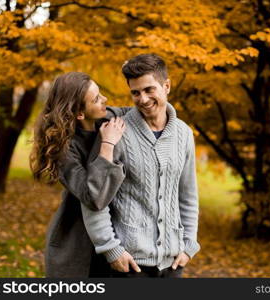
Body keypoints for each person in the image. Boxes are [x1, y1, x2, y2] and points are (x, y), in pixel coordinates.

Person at [81, 53, 200, 278]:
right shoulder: (116, 132)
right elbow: (95, 199)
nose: (143, 99)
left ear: (166, 86)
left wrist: (189, 244)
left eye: (149, 90)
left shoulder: (184, 134)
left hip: (173, 263)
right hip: (128, 265)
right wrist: (111, 249)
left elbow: (188, 195)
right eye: (135, 93)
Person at [29, 71, 129, 277]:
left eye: (100, 94)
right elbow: (93, 197)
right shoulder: (62, 149)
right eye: (96, 99)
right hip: (76, 242)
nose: (105, 100)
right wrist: (107, 145)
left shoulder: (108, 117)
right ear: (79, 113)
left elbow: (141, 113)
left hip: (119, 231)